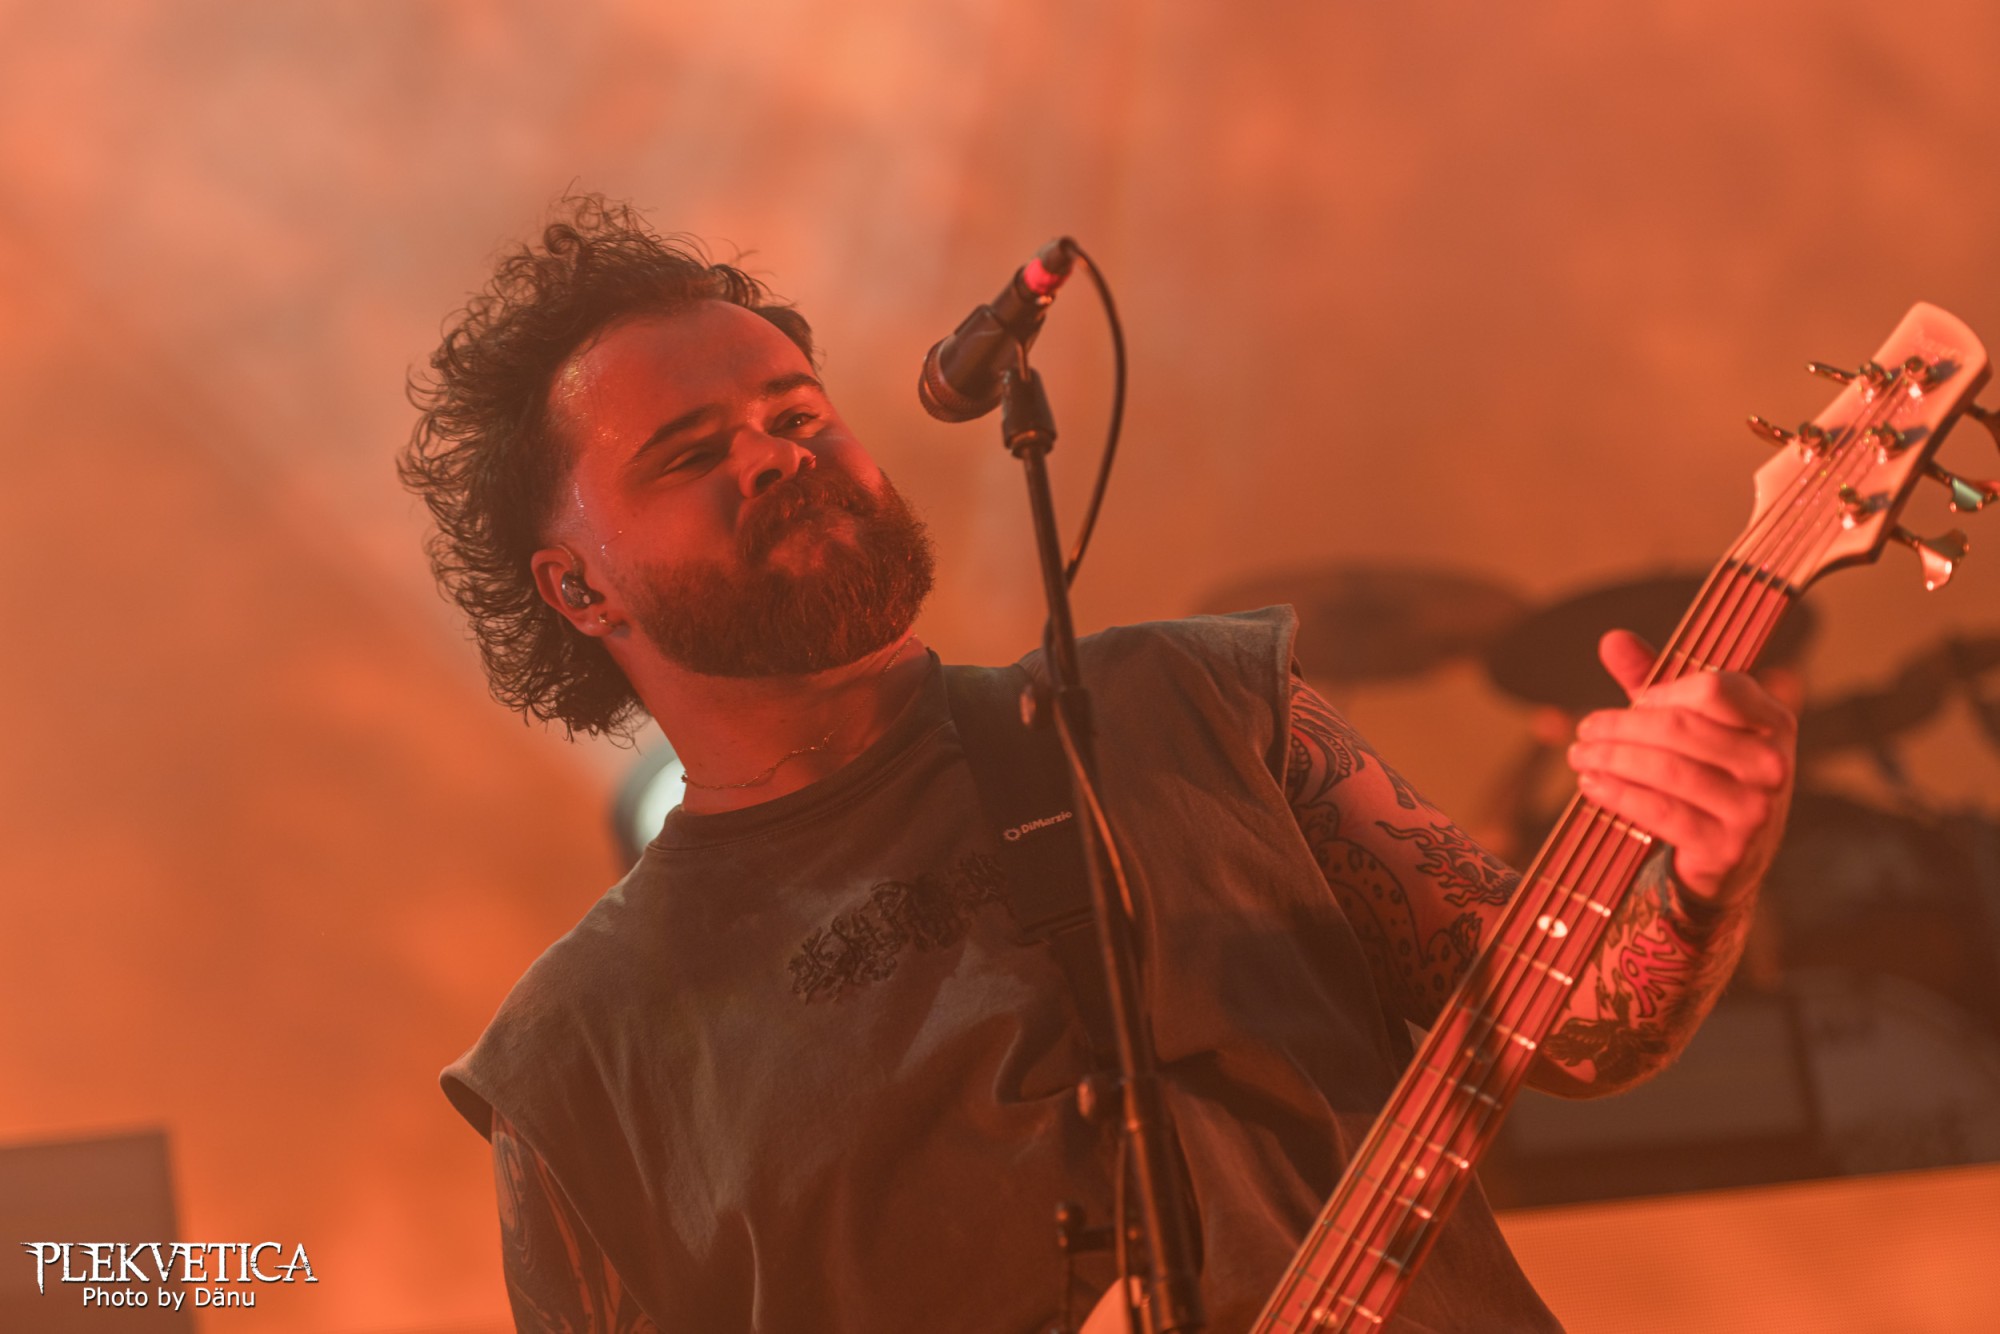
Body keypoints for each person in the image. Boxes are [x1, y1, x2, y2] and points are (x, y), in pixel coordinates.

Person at [402, 197, 1796, 1333]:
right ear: (577, 587)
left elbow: (1578, 1020)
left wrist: (1702, 870)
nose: (778, 456)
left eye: (797, 412)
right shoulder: (577, 1053)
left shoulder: (1186, 706)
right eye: (693, 451)